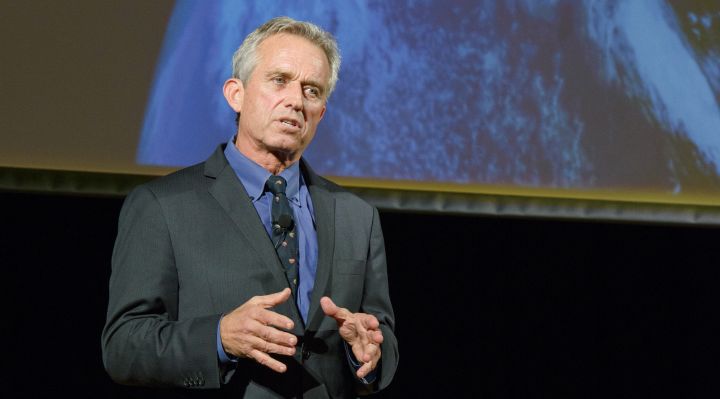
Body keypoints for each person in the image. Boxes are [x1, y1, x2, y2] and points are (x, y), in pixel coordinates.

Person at [102, 16, 398, 398]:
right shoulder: (162, 206)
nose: (296, 100)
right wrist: (219, 337)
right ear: (235, 94)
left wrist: (369, 355)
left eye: (312, 91)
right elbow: (124, 347)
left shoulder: (358, 218)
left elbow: (382, 337)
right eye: (279, 80)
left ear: (321, 113)